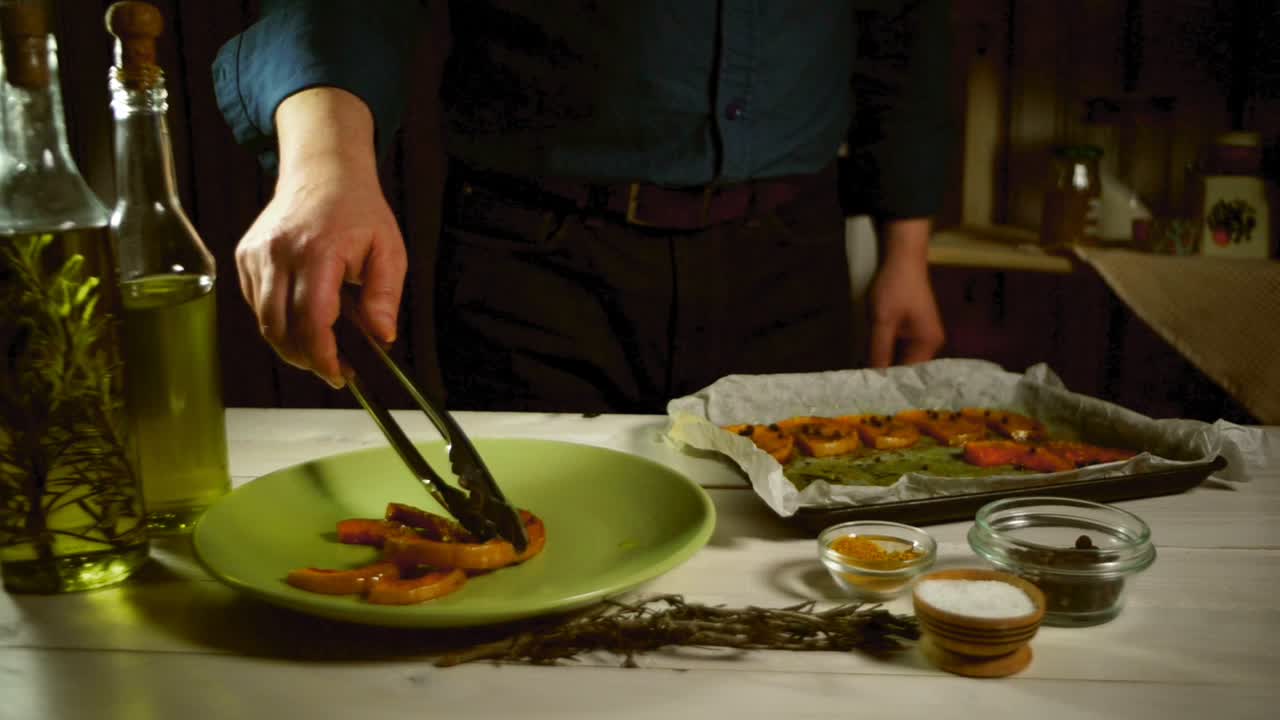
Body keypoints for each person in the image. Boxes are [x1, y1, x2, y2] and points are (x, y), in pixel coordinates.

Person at [213, 0, 951, 413]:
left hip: (791, 264)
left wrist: (906, 252)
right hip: (539, 264)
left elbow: (906, 32)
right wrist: (323, 166)